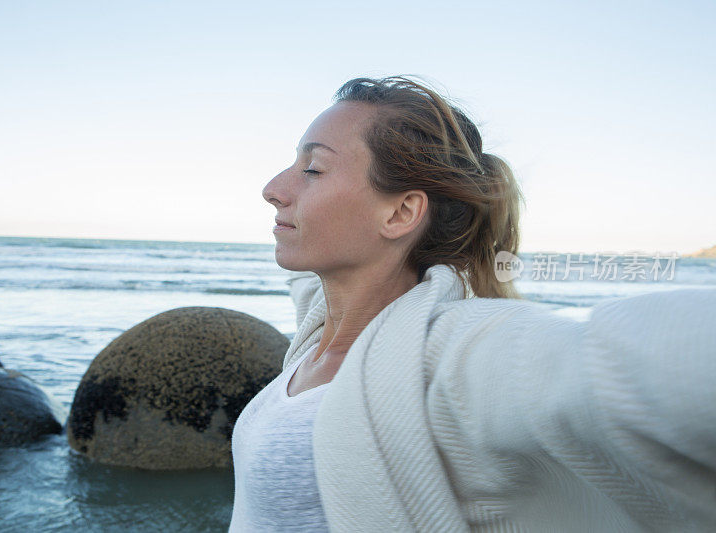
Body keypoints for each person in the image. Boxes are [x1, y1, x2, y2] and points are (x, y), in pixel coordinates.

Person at [229, 76, 716, 532]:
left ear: (400, 213)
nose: (274, 189)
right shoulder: (322, 330)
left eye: (312, 169)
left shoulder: (453, 359)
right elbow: (316, 289)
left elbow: (623, 363)